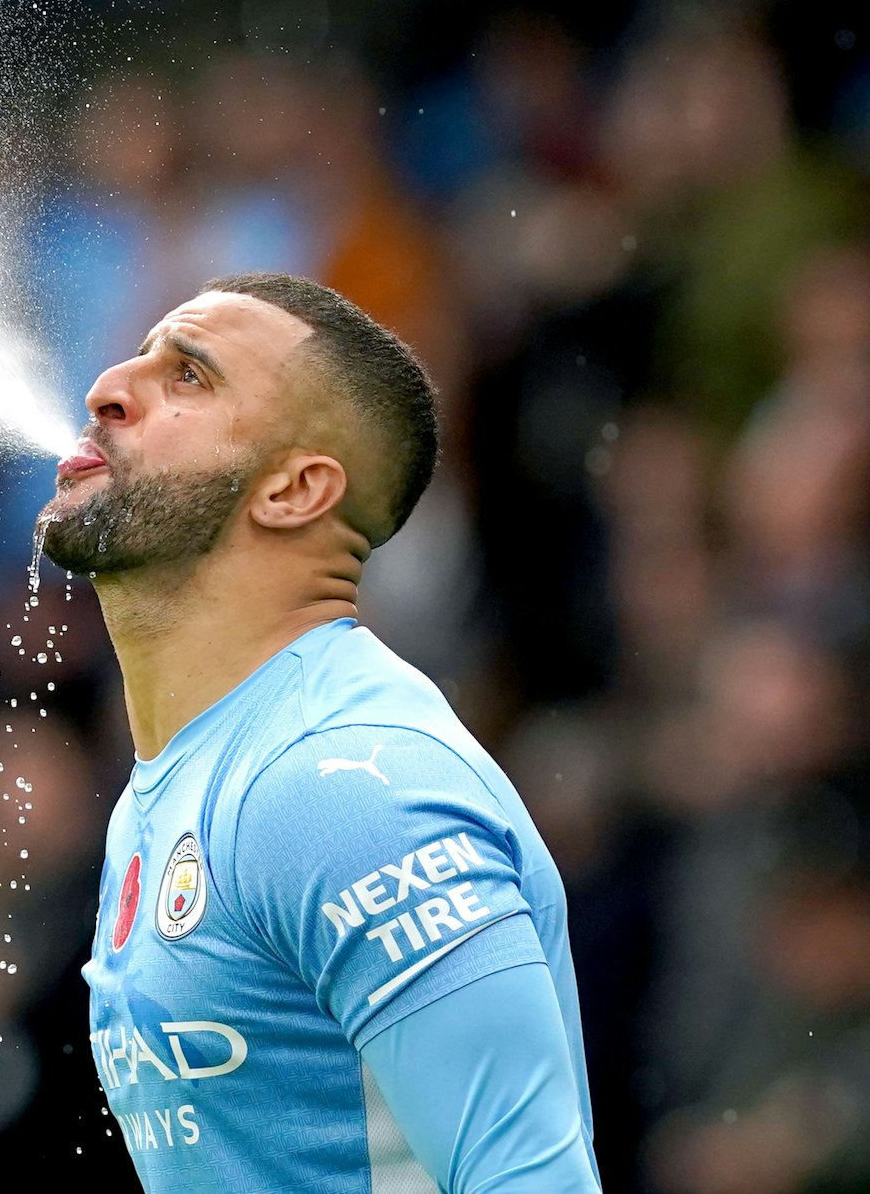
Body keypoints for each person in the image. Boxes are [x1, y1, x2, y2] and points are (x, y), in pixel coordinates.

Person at [38, 271, 599, 1192]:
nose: (107, 388)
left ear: (295, 490)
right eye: (139, 356)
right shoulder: (191, 775)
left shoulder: (342, 786)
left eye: (189, 376)